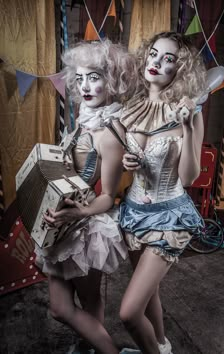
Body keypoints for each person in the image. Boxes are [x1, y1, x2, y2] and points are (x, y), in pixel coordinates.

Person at [35, 39, 137, 354]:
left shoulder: (109, 133)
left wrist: (76, 214)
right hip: (63, 221)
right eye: (80, 78)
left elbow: (107, 196)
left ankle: (104, 351)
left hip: (85, 225)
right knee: (61, 307)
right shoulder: (85, 118)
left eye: (94, 76)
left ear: (112, 78)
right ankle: (92, 346)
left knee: (88, 299)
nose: (85, 86)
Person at [118, 31, 207, 354]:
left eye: (168, 59)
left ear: (179, 70)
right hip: (133, 213)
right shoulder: (135, 107)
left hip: (169, 216)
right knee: (150, 292)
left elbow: (189, 177)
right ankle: (160, 345)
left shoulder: (189, 113)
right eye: (154, 54)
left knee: (128, 313)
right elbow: (133, 164)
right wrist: (129, 162)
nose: (156, 63)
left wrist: (185, 126)